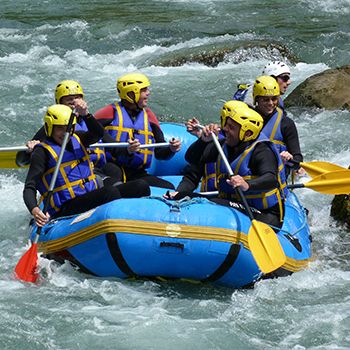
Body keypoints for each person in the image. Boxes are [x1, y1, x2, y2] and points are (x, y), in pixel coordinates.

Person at [23, 104, 150, 227]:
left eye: (68, 127)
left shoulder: (78, 138)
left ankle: (140, 225)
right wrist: (34, 210)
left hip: (89, 195)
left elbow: (98, 133)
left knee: (140, 186)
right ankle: (120, 229)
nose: (65, 133)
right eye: (59, 128)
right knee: (109, 192)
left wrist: (86, 114)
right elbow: (30, 186)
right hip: (66, 206)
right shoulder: (42, 152)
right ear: (50, 128)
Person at [182, 100, 288, 228]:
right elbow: (192, 158)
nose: (225, 129)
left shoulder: (262, 150)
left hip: (266, 214)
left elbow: (271, 179)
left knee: (212, 202)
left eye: (231, 127)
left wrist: (246, 184)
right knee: (186, 196)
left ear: (247, 133)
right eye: (227, 124)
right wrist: (203, 141)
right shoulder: (225, 145)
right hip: (237, 204)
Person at [94, 72, 181, 189]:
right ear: (131, 93)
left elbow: (160, 153)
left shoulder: (149, 116)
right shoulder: (110, 111)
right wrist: (125, 149)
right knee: (118, 184)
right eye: (144, 90)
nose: (148, 93)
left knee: (168, 187)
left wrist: (171, 149)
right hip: (112, 168)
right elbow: (91, 131)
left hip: (137, 172)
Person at [252, 75, 303, 173]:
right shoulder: (246, 120)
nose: (271, 103)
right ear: (257, 99)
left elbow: (298, 161)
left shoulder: (286, 123)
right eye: (266, 99)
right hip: (250, 181)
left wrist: (289, 159)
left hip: (276, 180)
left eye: (274, 99)